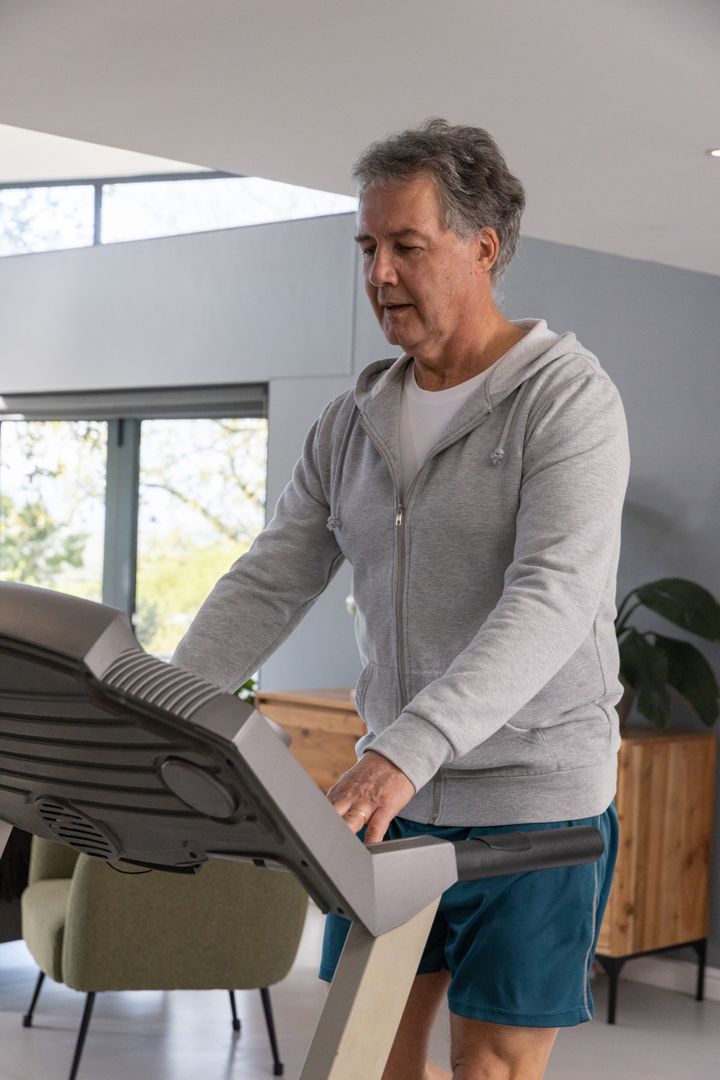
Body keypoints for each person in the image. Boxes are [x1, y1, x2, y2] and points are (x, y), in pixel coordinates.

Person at [172, 119, 630, 1080]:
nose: (379, 273)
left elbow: (551, 596)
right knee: (367, 1048)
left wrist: (405, 751)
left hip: (534, 801)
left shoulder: (568, 399)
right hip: (397, 806)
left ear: (483, 247)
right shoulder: (354, 421)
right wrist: (161, 705)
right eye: (368, 248)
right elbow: (273, 574)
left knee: (492, 1067)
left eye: (406, 247)